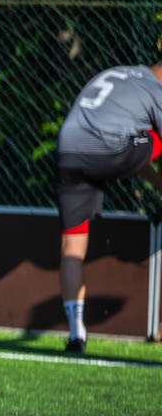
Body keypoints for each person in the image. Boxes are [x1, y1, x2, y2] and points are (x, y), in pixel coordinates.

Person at [55, 63, 162, 352]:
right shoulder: (156, 92)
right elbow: (135, 149)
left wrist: (156, 182)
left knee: (72, 246)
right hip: (107, 148)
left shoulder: (123, 74)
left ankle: (76, 335)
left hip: (68, 148)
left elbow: (133, 151)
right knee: (156, 136)